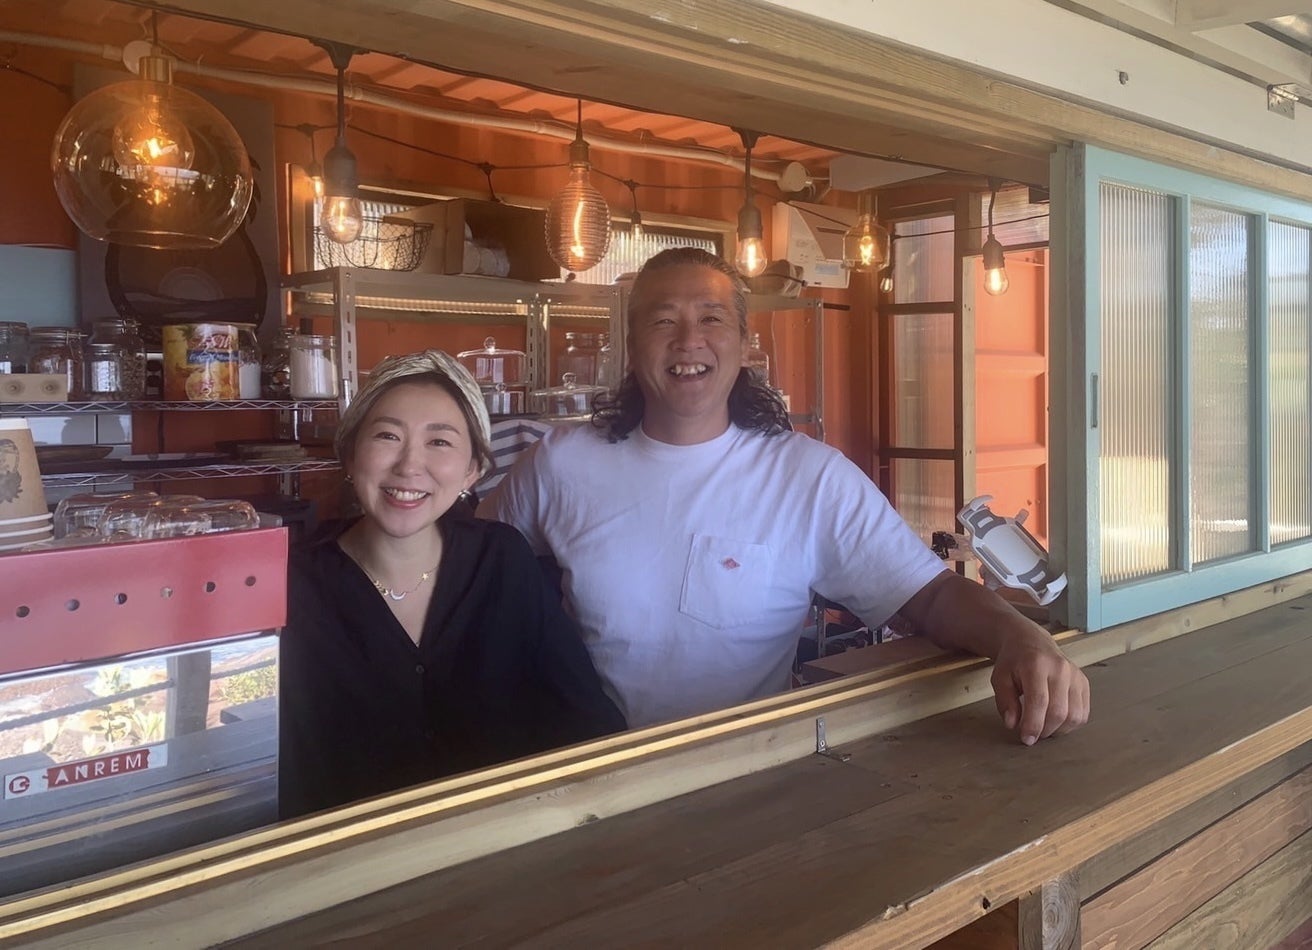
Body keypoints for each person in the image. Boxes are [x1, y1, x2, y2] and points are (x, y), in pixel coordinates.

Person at [485, 247, 1090, 740]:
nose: (688, 340)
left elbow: (928, 594)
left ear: (744, 342)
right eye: (663, 320)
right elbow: (472, 563)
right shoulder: (561, 464)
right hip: (585, 776)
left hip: (751, 775)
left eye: (711, 318)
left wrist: (1019, 636)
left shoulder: (808, 476)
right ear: (631, 342)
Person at [279, 350, 625, 820]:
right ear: (351, 454)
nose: (409, 465)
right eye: (387, 436)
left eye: (439, 442)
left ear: (472, 470)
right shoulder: (292, 586)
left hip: (504, 838)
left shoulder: (501, 560)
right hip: (347, 855)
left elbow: (584, 716)